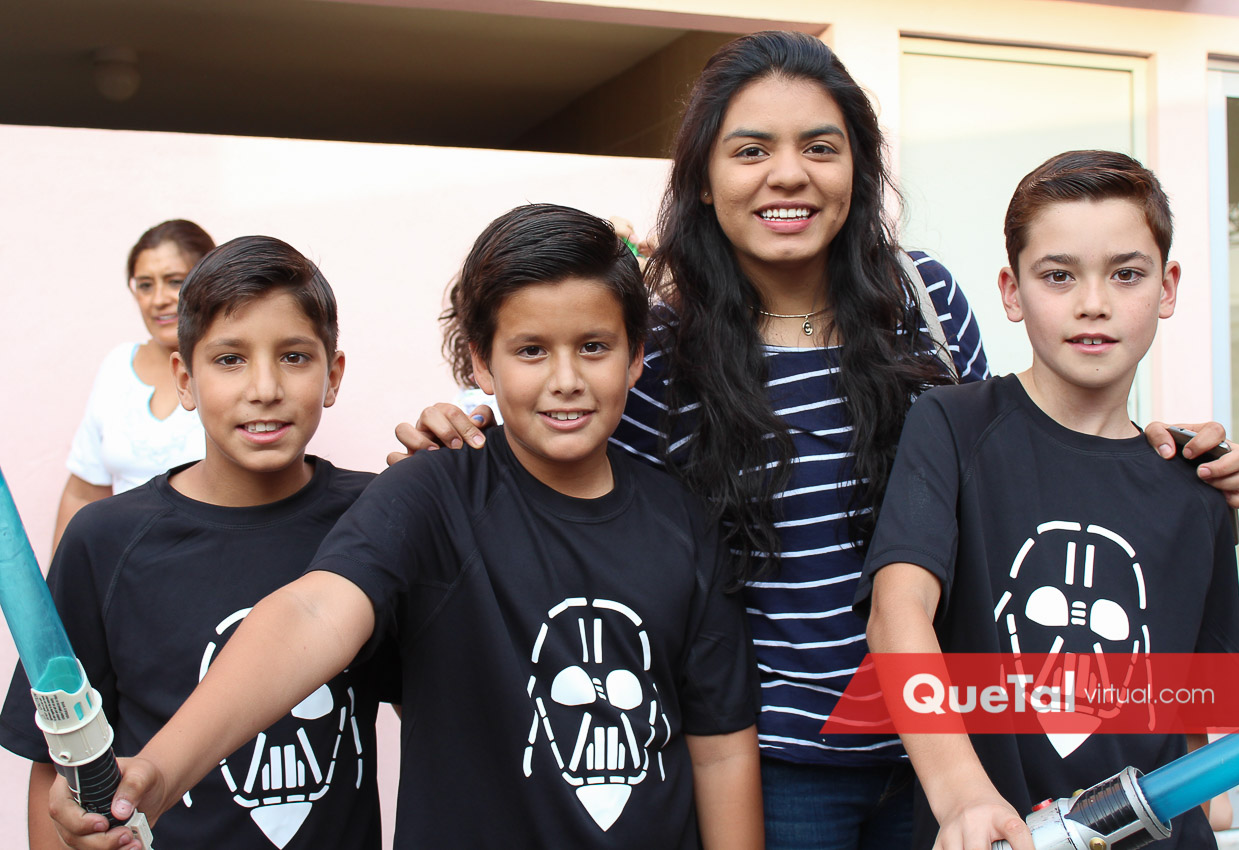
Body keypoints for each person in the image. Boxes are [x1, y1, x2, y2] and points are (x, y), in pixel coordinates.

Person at [397, 31, 1239, 849]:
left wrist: (1152, 456)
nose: (788, 174)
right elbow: (584, 502)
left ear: (857, 168)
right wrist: (469, 446)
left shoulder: (924, 300)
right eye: (750, 150)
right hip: (770, 766)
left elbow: (1018, 452)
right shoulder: (656, 348)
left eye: (819, 147)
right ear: (703, 180)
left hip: (956, 749)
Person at [50, 204, 763, 850]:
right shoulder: (428, 493)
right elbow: (314, 612)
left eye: (595, 347)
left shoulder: (684, 521)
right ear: (480, 362)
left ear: (636, 357)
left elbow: (721, 748)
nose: (566, 378)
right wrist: (160, 771)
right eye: (530, 350)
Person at [855, 150, 1239, 849]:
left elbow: (1196, 716)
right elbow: (897, 612)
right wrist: (963, 796)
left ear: (1167, 287)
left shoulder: (1198, 487)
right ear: (1011, 292)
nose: (1093, 303)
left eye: (1126, 274)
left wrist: (1204, 799)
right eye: (1058, 275)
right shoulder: (953, 425)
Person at [1, 235, 395, 849]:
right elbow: (54, 764)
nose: (264, 387)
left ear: (333, 374)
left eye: (294, 357)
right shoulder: (105, 542)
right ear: (184, 379)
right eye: (229, 359)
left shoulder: (379, 517)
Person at [53, 220, 215, 550]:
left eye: (175, 281)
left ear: (209, 283)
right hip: (120, 566)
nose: (158, 299)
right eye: (145, 285)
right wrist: (56, 579)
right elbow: (83, 491)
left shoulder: (229, 367)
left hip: (210, 561)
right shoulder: (117, 367)